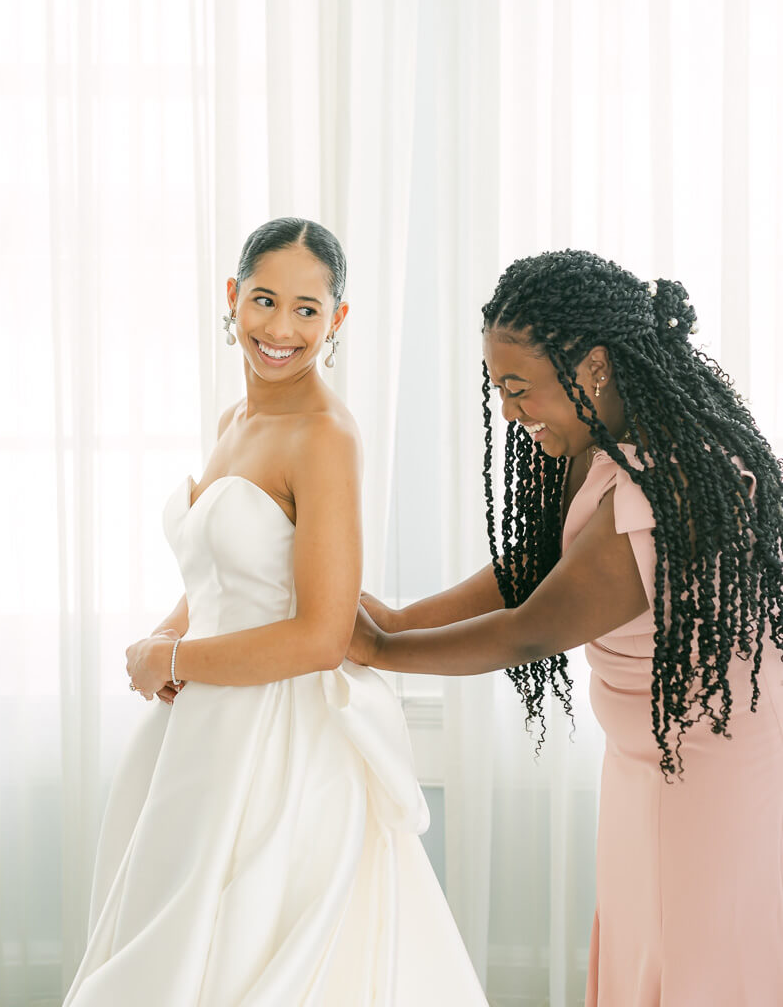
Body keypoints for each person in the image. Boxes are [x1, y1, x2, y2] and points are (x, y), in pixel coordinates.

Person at [63, 218, 486, 1007]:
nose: (281, 329)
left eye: (306, 310)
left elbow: (322, 636)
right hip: (203, 726)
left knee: (250, 946)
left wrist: (173, 661)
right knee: (172, 933)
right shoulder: (235, 421)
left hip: (279, 737)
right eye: (264, 301)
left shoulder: (325, 436)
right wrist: (167, 629)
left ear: (338, 319)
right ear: (232, 298)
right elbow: (233, 569)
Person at [349, 249, 783, 1007]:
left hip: (714, 772)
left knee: (699, 962)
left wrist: (381, 649)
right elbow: (533, 565)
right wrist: (395, 617)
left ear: (593, 369)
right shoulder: (593, 447)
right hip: (643, 759)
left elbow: (529, 629)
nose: (510, 413)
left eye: (519, 389)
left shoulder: (669, 484)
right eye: (499, 390)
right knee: (640, 946)